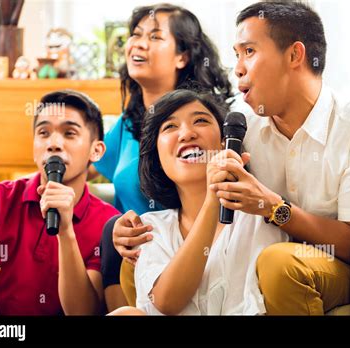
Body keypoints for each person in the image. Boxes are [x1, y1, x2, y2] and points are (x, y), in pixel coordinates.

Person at [114, 1, 350, 315]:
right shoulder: (240, 125)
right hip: (253, 250)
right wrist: (129, 230)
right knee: (138, 266)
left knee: (279, 263)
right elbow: (190, 178)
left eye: (249, 52)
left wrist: (274, 208)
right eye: (236, 54)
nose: (238, 67)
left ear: (295, 55)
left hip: (332, 263)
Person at [88, 3, 233, 311]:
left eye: (154, 36)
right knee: (111, 227)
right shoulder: (128, 121)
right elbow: (83, 165)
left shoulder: (214, 124)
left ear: (183, 56)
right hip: (136, 254)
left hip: (202, 244)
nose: (139, 43)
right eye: (136, 34)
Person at [110, 89, 287, 316]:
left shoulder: (260, 218)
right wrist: (212, 200)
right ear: (158, 156)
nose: (186, 134)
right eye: (170, 127)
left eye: (200, 121)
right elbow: (166, 302)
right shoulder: (151, 228)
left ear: (225, 143)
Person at [0, 90, 119, 315]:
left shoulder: (107, 222)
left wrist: (66, 231)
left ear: (96, 150)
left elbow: (84, 312)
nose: (54, 144)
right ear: (34, 148)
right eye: (44, 133)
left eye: (69, 133)